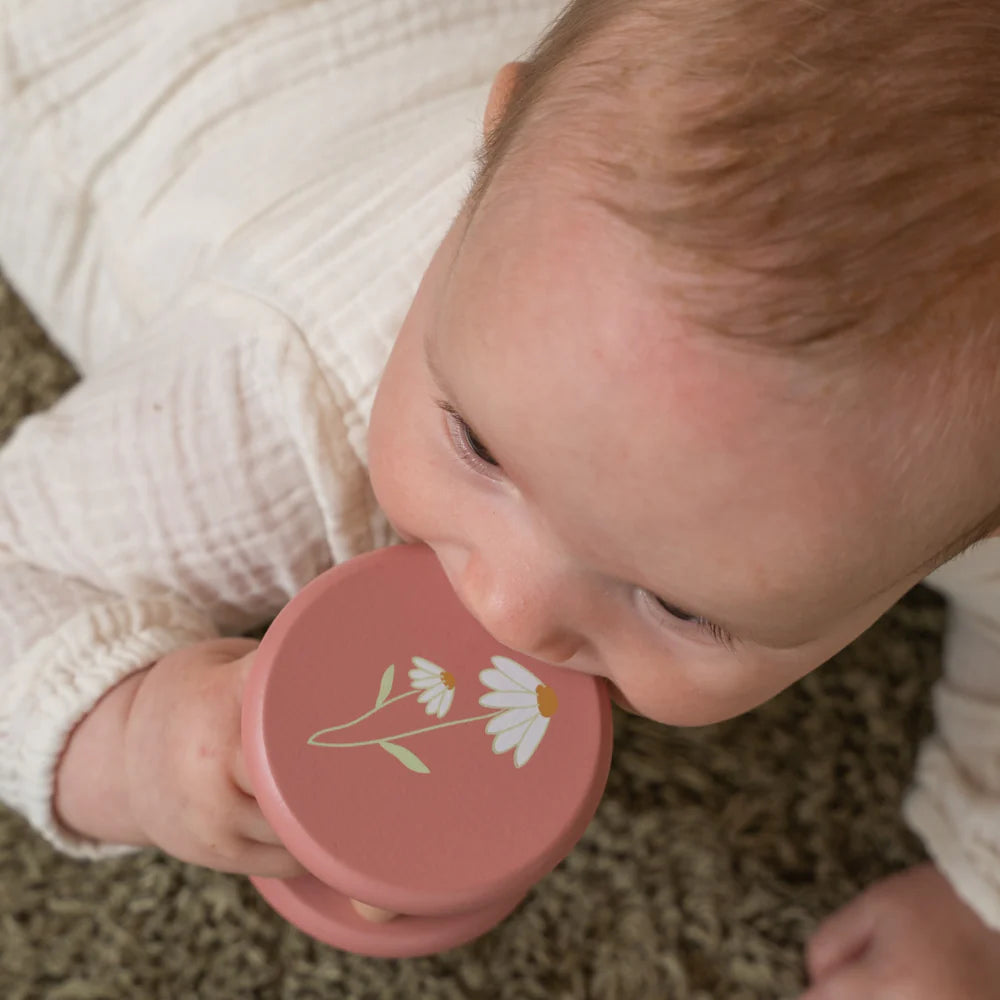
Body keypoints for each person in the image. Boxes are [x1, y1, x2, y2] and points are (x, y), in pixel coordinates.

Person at [2, 0, 999, 994]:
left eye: (679, 603)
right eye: (477, 445)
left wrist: (978, 886)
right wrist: (131, 742)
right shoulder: (278, 409)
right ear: (491, 150)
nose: (510, 610)